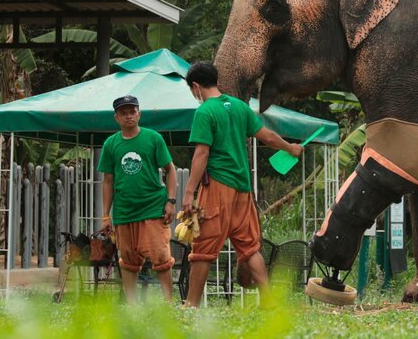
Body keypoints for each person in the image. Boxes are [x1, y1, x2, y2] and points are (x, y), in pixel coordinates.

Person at [182, 61, 303, 308]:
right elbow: (267, 136)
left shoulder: (204, 112)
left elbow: (201, 154)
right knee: (249, 247)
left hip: (218, 187)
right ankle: (268, 300)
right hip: (243, 189)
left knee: (203, 246)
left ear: (195, 86)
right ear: (216, 80)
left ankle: (191, 305)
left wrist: (188, 193)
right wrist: (290, 147)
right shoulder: (239, 107)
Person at [99, 95, 178, 304]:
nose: (129, 116)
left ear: (139, 114)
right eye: (123, 113)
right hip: (124, 212)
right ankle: (132, 308)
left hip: (153, 209)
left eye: (132, 111)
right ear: (116, 117)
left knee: (161, 257)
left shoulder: (153, 138)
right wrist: (106, 216)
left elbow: (170, 170)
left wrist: (171, 201)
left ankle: (168, 305)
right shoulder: (110, 144)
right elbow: (108, 181)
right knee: (128, 261)